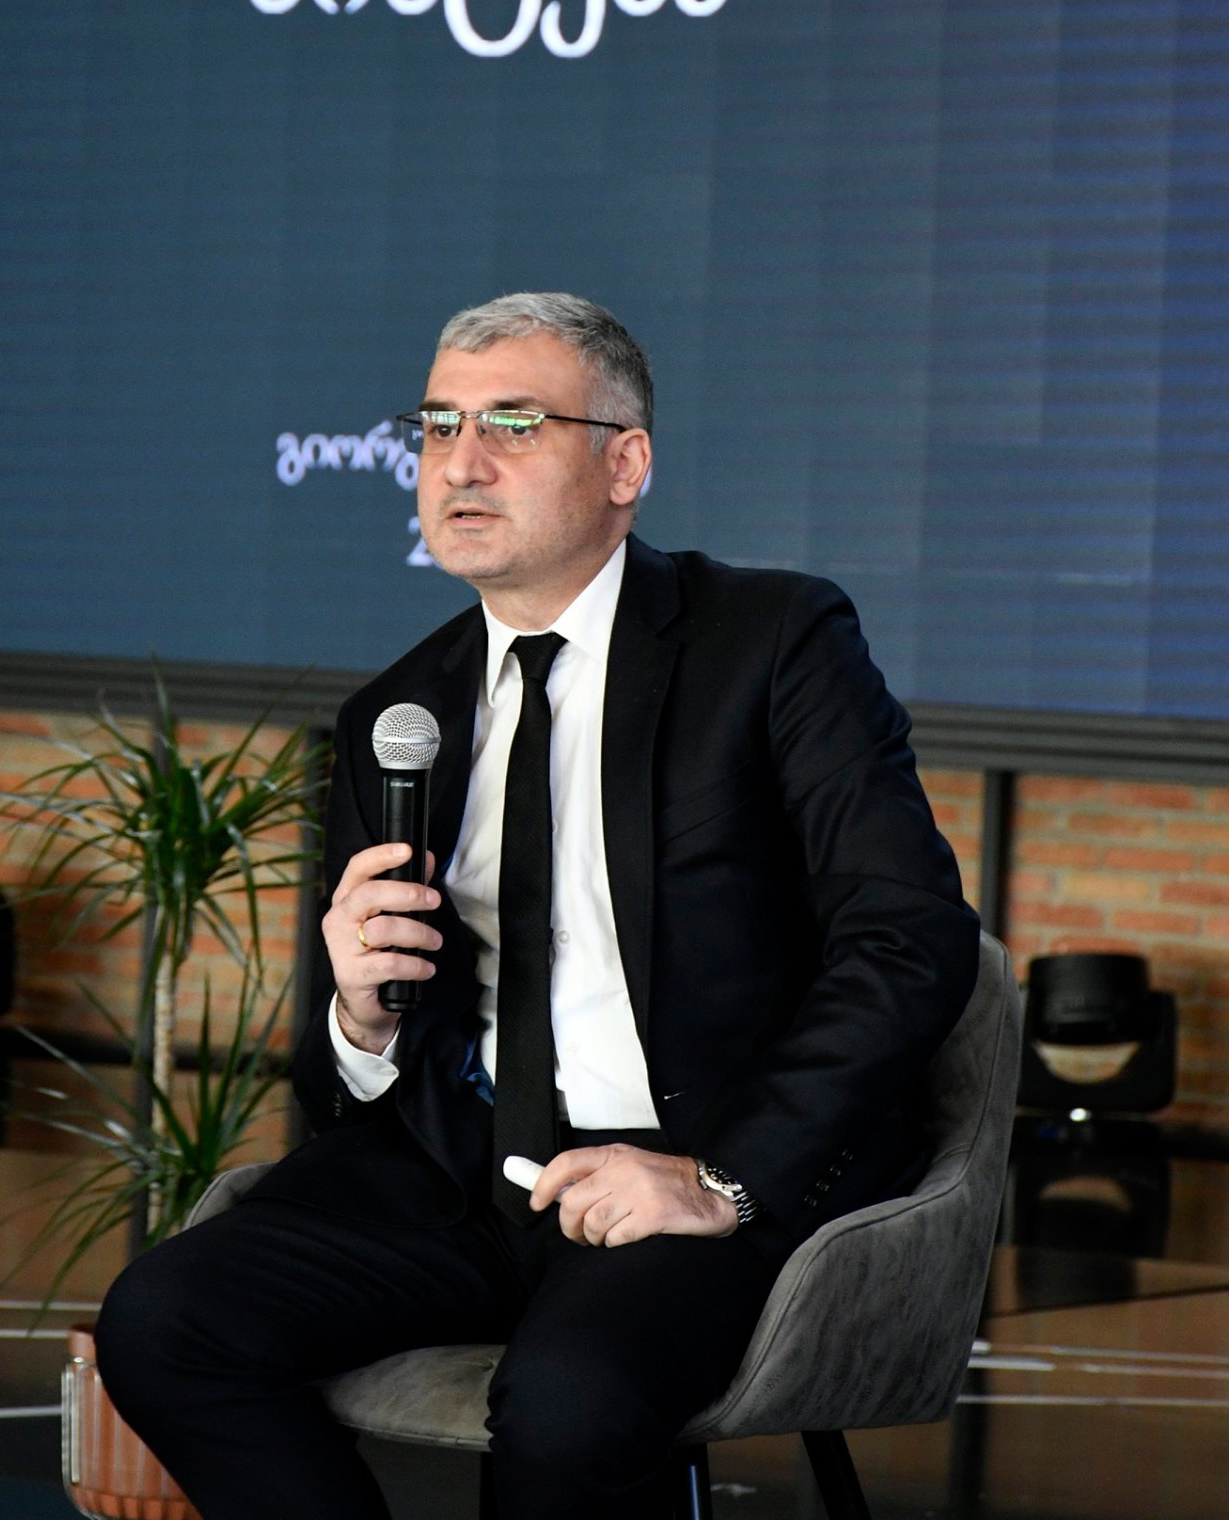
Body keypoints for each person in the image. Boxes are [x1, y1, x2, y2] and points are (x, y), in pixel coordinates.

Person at [96, 292, 978, 1520]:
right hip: (467, 1179)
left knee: (567, 1405)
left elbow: (908, 937)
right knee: (164, 1320)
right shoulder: (396, 714)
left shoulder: (770, 639)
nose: (460, 462)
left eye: (513, 424)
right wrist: (361, 1019)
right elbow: (355, 1085)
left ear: (625, 464)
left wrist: (718, 1176)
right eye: (437, 425)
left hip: (695, 1169)